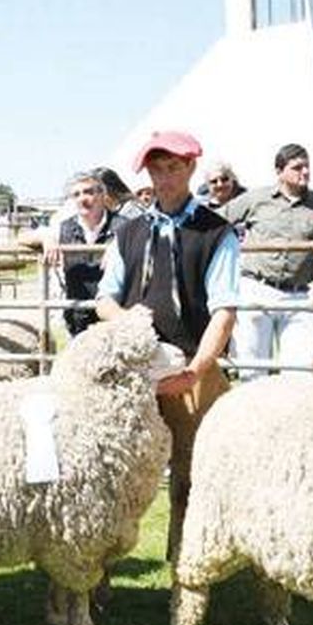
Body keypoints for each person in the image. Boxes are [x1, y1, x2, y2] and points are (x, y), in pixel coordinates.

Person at [95, 129, 239, 561]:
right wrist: (130, 322)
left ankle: (186, 567)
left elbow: (225, 311)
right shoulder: (129, 233)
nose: (164, 178)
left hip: (192, 367)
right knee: (112, 471)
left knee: (192, 475)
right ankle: (98, 572)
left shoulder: (215, 233)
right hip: (135, 372)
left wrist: (196, 370)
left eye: (172, 168)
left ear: (191, 167)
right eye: (156, 169)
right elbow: (105, 298)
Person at [221, 143, 313, 374]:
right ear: (279, 171)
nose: (305, 172)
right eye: (297, 167)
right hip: (256, 290)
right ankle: (253, 409)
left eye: (307, 167)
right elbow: (216, 222)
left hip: (298, 295)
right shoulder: (256, 199)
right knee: (252, 368)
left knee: (299, 369)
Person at [51, 170, 125, 337]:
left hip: (113, 321)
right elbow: (23, 237)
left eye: (89, 192)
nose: (82, 199)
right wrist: (45, 238)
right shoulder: (63, 228)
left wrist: (119, 243)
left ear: (102, 195)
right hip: (78, 320)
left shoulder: (125, 227)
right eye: (76, 194)